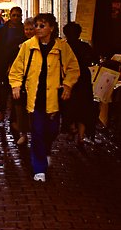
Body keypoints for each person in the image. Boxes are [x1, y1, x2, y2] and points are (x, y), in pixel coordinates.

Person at [9, 13, 80, 182]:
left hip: (54, 96)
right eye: (36, 26)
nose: (38, 29)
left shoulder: (62, 47)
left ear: (51, 28)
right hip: (35, 97)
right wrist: (16, 85)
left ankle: (46, 150)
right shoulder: (28, 46)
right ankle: (39, 168)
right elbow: (17, 68)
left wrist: (68, 85)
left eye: (42, 26)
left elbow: (73, 68)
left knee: (52, 130)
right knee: (37, 131)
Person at [61, 21, 98, 149]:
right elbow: (94, 60)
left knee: (68, 107)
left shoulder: (63, 47)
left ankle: (72, 128)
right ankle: (81, 138)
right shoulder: (85, 47)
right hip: (84, 79)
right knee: (84, 108)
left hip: (69, 79)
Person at [0, 6, 25, 125]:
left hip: (18, 65)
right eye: (14, 15)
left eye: (18, 15)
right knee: (3, 90)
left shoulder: (24, 29)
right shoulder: (3, 29)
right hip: (3, 63)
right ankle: (1, 111)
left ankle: (14, 117)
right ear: (10, 16)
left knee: (17, 91)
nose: (16, 18)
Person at [11, 16, 37, 146]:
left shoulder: (39, 43)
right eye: (26, 29)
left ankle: (36, 135)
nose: (28, 31)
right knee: (21, 110)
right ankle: (24, 134)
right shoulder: (20, 42)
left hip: (35, 82)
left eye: (31, 29)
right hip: (22, 81)